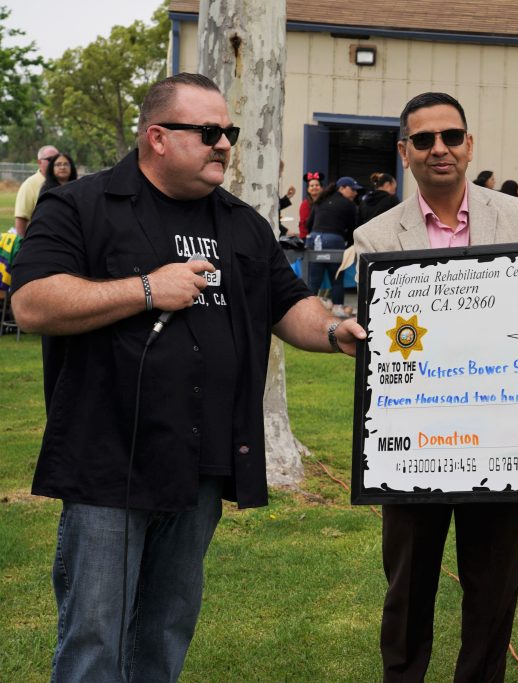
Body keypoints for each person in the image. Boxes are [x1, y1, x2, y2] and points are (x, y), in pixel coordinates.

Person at [9, 72, 366, 682]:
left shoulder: (241, 223)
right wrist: (149, 289)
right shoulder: (81, 205)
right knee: (95, 632)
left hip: (203, 458)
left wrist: (336, 332)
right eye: (208, 132)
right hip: (108, 460)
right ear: (157, 137)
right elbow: (33, 302)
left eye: (226, 131)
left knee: (167, 626)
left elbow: (287, 303)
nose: (224, 143)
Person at [354, 91, 518, 683]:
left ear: (469, 144)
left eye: (452, 137)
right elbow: (362, 326)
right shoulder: (375, 236)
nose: (441, 149)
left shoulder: (516, 218)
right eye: (426, 140)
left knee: (493, 584)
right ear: (404, 150)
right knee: (408, 583)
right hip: (414, 438)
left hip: (501, 431)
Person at [305, 176, 361, 307]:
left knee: (313, 281)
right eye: (352, 189)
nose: (355, 192)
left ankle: (308, 309)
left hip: (315, 239)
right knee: (336, 280)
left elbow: (309, 224)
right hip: (335, 241)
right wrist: (348, 243)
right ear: (342, 188)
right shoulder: (349, 205)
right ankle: (337, 310)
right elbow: (354, 229)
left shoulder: (321, 199)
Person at [14, 144, 59, 236]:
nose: (55, 162)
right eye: (50, 159)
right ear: (39, 162)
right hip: (40, 240)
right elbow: (21, 219)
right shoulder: (29, 185)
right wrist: (22, 246)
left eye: (57, 158)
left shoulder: (64, 182)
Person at [298, 170, 323, 239]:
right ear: (308, 189)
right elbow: (303, 224)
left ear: (321, 188)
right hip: (308, 237)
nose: (314, 187)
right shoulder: (305, 204)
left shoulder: (325, 202)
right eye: (311, 186)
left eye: (317, 185)